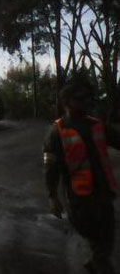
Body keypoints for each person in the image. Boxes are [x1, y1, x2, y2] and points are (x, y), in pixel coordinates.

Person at [43, 79, 119, 274]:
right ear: (67, 102)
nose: (86, 102)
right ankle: (99, 261)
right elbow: (51, 169)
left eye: (88, 98)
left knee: (108, 232)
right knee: (89, 230)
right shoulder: (56, 131)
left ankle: (99, 262)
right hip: (79, 196)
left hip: (103, 190)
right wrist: (52, 196)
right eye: (80, 99)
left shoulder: (97, 125)